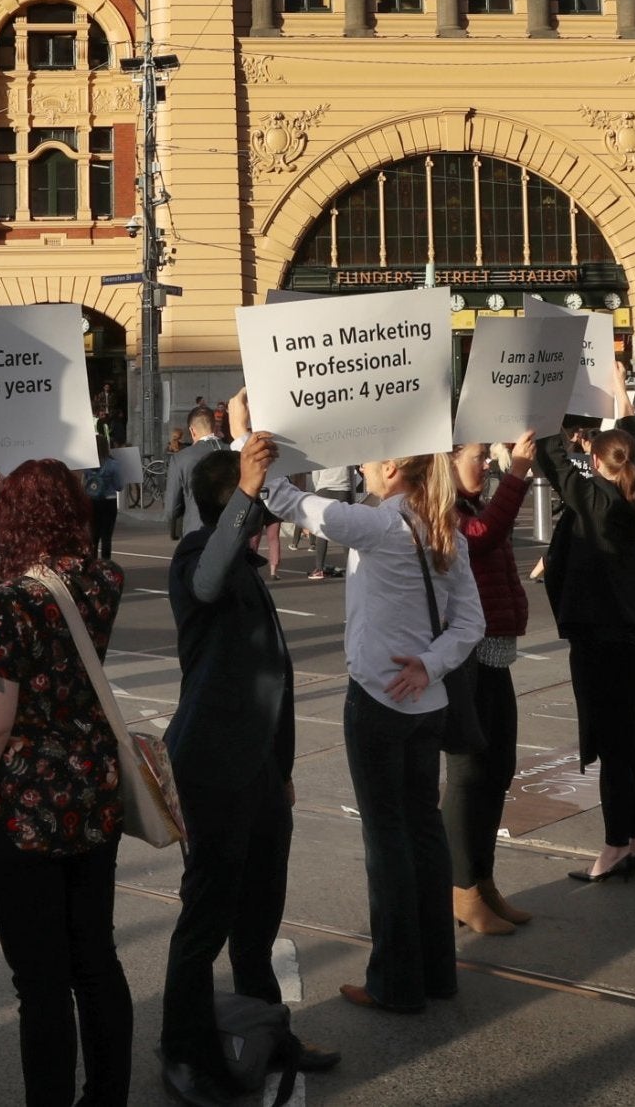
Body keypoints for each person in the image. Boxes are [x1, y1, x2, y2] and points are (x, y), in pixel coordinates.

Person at [250, 394, 484, 1015]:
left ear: (391, 470)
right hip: (426, 700)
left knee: (389, 843)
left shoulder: (381, 523)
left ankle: (395, 982)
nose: (361, 466)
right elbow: (472, 624)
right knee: (424, 833)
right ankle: (437, 972)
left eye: (370, 460)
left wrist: (247, 430)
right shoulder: (444, 529)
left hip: (379, 702)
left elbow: (283, 500)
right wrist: (431, 665)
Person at [0, 459, 132, 1107]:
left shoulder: (9, 603)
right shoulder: (104, 579)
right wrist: (17, 497)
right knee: (94, 960)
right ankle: (106, 1096)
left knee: (40, 983)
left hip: (23, 810)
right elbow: (60, 567)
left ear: (14, 522)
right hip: (93, 797)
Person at [157, 438, 341, 1107]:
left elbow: (277, 678)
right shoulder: (196, 559)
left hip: (260, 771)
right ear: (234, 501)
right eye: (258, 494)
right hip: (209, 769)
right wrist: (246, 488)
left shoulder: (250, 574)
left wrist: (284, 766)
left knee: (259, 915)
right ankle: (184, 1051)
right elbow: (206, 579)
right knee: (204, 919)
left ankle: (268, 1030)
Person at [537, 426, 635, 882]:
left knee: (611, 747)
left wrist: (548, 421)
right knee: (628, 743)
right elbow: (630, 455)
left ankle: (614, 847)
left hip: (600, 637)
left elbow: (555, 463)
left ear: (598, 460)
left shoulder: (594, 499)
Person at [444, 434, 536, 936]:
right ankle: (461, 888)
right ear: (449, 461)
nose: (486, 463)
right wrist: (518, 474)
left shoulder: (473, 501)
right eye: (478, 457)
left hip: (494, 654)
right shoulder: (443, 508)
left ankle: (483, 878)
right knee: (469, 774)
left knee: (499, 767)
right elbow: (479, 535)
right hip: (464, 659)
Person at [165, 407, 222, 540]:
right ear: (215, 427)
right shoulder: (233, 451)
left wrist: (175, 529)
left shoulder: (180, 458)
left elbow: (172, 507)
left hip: (195, 530)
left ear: (192, 430)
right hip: (230, 532)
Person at [85, 431, 122, 560]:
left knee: (93, 537)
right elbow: (119, 486)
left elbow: (84, 483)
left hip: (92, 501)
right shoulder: (113, 464)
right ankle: (106, 565)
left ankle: (91, 565)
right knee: (107, 537)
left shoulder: (87, 464)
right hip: (109, 501)